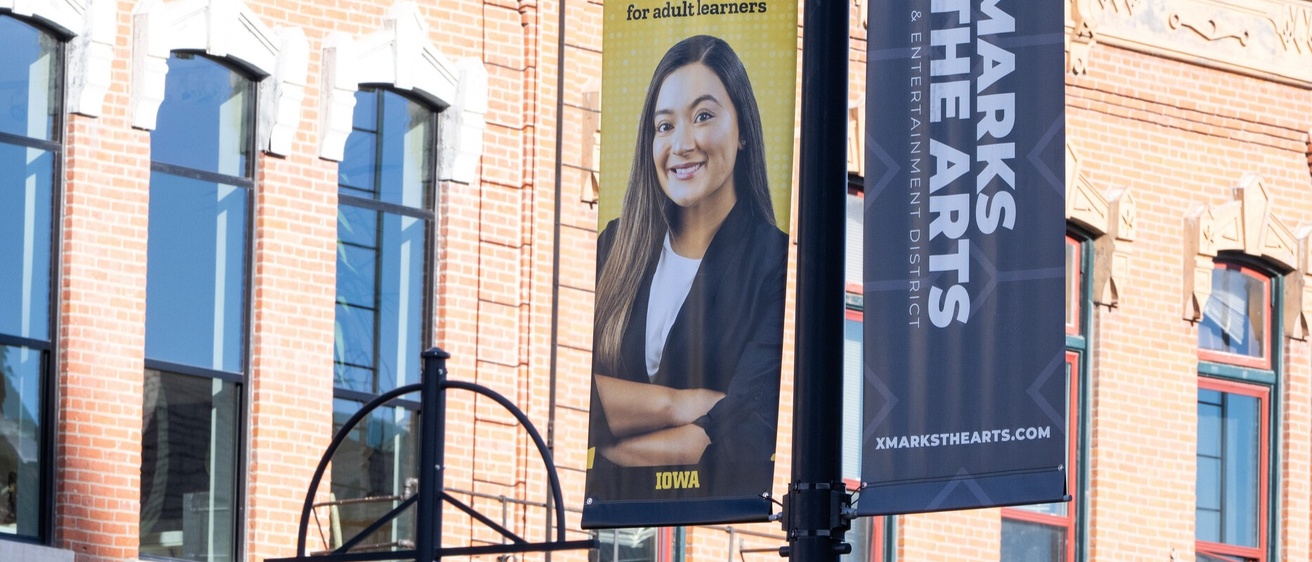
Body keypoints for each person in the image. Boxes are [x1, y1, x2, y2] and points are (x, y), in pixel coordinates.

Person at [587, 35, 786, 503]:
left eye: (703, 116)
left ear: (743, 131)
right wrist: (681, 404)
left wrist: (614, 438)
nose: (681, 144)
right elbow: (581, 401)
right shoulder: (615, 247)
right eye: (665, 125)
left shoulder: (773, 263)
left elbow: (740, 438)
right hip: (616, 522)